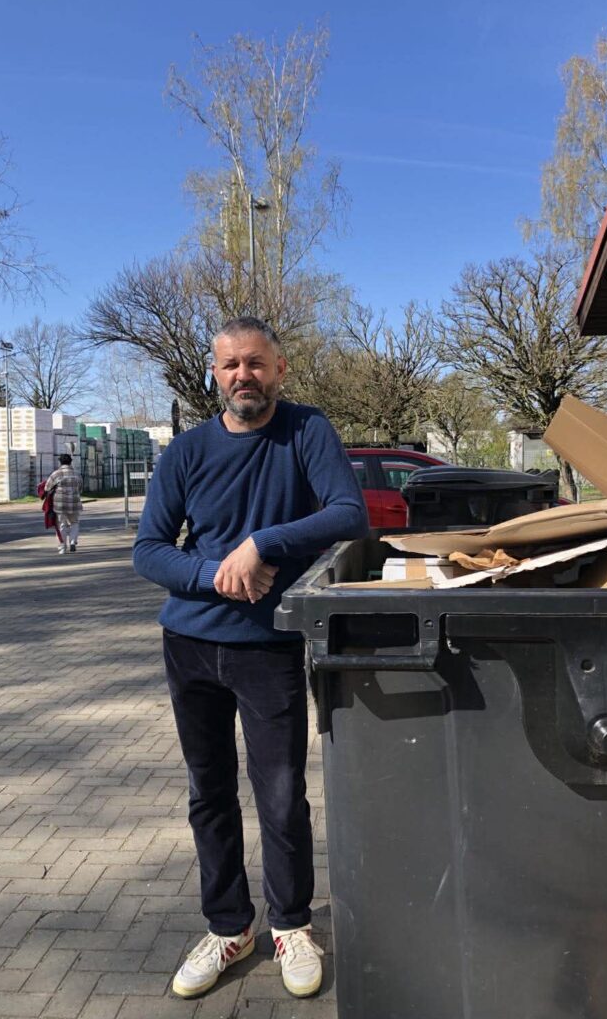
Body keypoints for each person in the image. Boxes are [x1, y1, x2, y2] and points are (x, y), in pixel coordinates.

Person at [132, 317, 369, 1000]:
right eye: (231, 364)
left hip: (268, 649)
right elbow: (149, 550)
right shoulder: (186, 452)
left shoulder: (306, 430)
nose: (244, 375)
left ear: (279, 369)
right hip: (190, 645)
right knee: (208, 792)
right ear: (216, 373)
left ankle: (291, 924)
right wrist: (217, 574)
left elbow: (349, 513)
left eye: (256, 363)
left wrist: (261, 543)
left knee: (281, 793)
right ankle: (229, 927)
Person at [44, 454, 83, 554]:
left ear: (60, 462)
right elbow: (80, 489)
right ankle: (73, 541)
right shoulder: (77, 474)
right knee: (74, 522)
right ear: (70, 462)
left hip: (60, 504)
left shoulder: (56, 474)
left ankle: (62, 547)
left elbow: (47, 488)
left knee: (62, 524)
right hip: (74, 503)